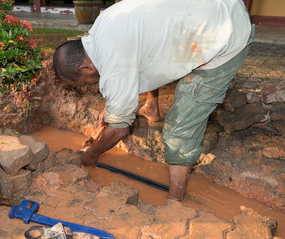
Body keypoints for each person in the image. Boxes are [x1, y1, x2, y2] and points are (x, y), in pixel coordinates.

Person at [53, 0, 254, 201]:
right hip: (215, 10)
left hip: (226, 36)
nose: (92, 84)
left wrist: (92, 154)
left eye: (86, 82)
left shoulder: (114, 65)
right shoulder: (103, 24)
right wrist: (113, 107)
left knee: (179, 129)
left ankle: (174, 204)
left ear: (85, 68)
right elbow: (133, 60)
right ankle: (151, 107)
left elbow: (118, 129)